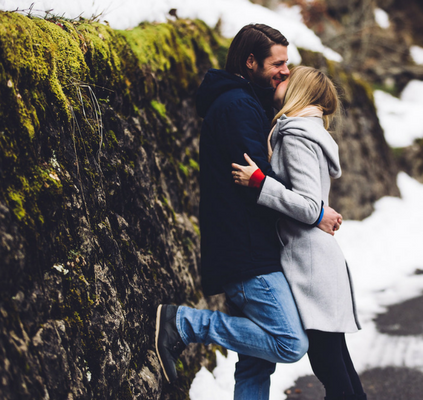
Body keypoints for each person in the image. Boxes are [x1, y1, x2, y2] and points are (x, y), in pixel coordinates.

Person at [154, 24, 343, 399]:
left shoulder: (243, 102)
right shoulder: (239, 106)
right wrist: (314, 211)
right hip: (249, 253)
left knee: (255, 364)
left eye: (287, 64)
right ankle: (185, 323)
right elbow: (258, 180)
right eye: (278, 64)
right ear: (251, 61)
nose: (286, 71)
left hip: (249, 247)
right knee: (290, 342)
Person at [231, 66, 367, 400]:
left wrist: (261, 182)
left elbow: (308, 206)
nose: (282, 78)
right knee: (338, 366)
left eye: (290, 78)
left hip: (311, 266)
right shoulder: (308, 131)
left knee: (330, 368)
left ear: (302, 90)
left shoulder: (294, 135)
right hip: (318, 260)